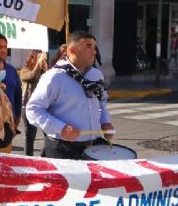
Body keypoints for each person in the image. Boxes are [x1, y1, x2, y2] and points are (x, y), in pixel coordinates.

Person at [26, 31, 114, 159]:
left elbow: (101, 103)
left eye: (94, 47)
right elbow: (33, 110)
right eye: (88, 47)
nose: (94, 52)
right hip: (62, 148)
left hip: (93, 146)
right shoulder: (55, 77)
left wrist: (105, 121)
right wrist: (61, 128)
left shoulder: (96, 75)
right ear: (72, 50)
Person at [19, 50, 48, 156]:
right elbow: (32, 77)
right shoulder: (24, 70)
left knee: (49, 136)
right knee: (30, 137)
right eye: (39, 58)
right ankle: (28, 160)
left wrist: (46, 67)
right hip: (28, 107)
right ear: (33, 59)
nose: (41, 61)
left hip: (43, 107)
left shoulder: (44, 72)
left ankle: (42, 158)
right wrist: (39, 64)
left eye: (43, 59)